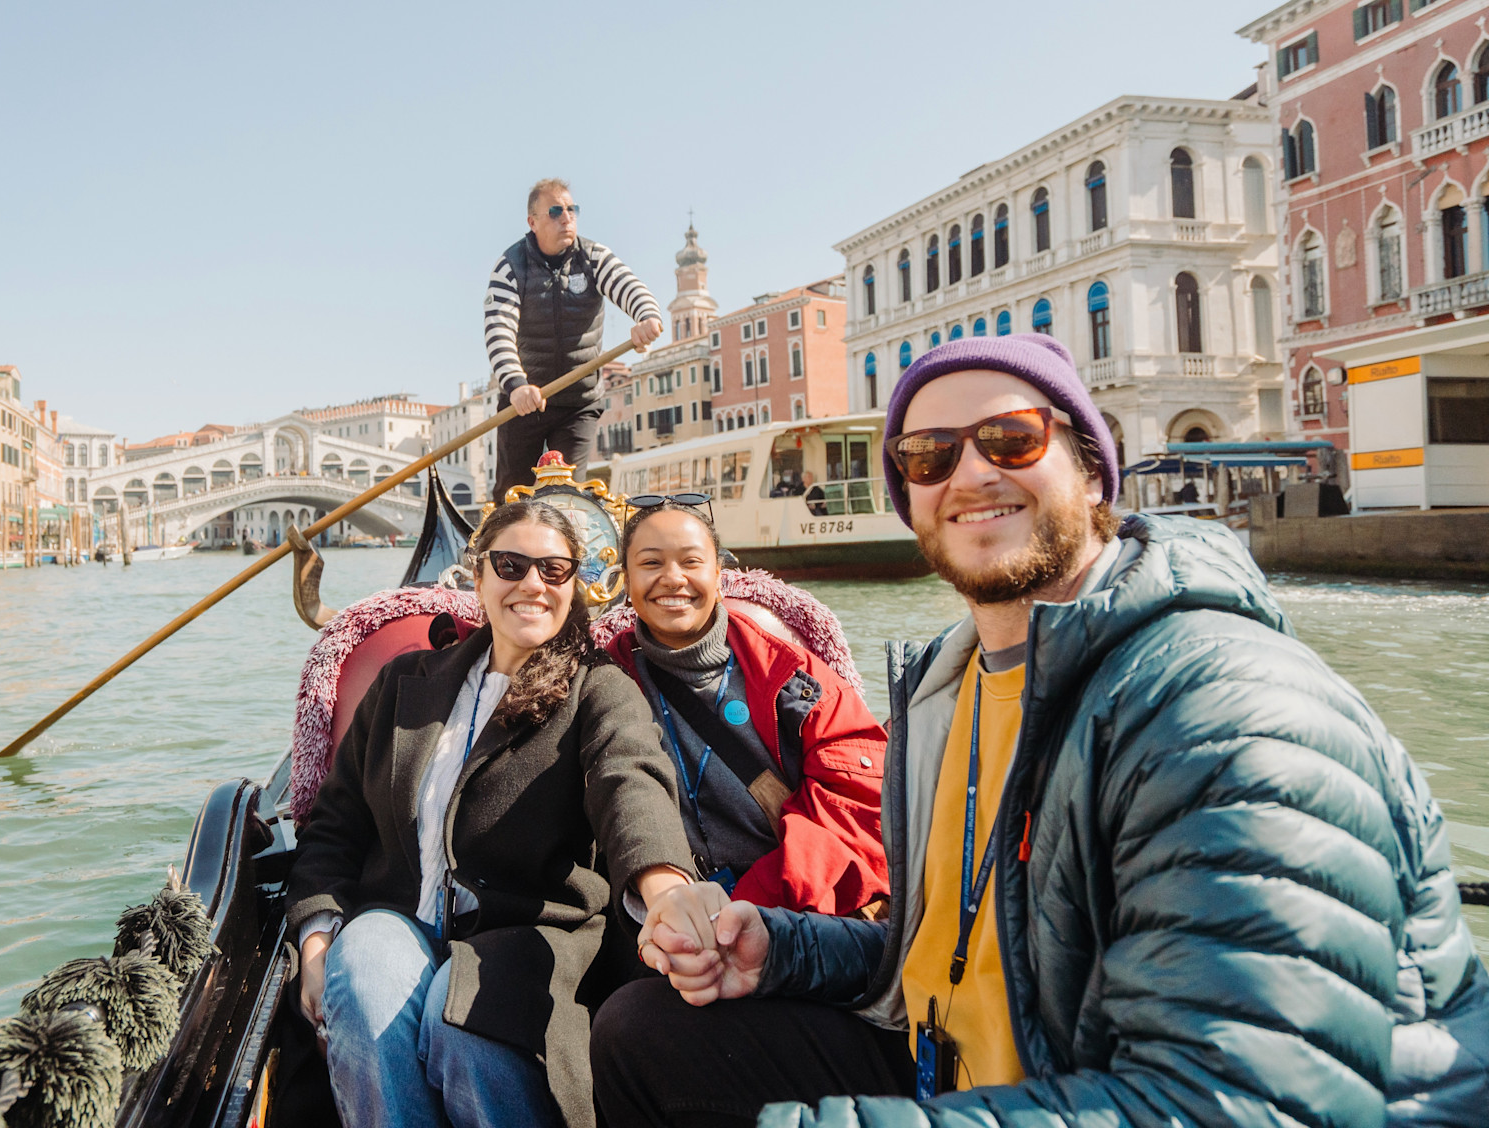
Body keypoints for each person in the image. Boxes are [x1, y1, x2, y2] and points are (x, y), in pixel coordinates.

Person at [594, 333, 1489, 1127]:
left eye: (1012, 438)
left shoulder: (1219, 704)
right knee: (643, 1031)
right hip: (966, 1065)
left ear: (1093, 469)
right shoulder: (948, 688)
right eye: (929, 455)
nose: (970, 475)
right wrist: (780, 947)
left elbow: (1250, 1099)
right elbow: (953, 952)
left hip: (1114, 1087)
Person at [288, 499, 695, 1128]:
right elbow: (335, 828)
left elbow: (631, 781)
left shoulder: (598, 689)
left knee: (463, 1019)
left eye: (553, 570)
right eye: (510, 565)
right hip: (396, 921)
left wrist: (665, 887)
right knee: (364, 964)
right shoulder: (403, 682)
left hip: (528, 939)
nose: (532, 583)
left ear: (573, 586)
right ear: (477, 577)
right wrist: (316, 943)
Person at [601, 498, 886, 915]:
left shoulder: (793, 674)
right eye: (651, 563)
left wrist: (750, 906)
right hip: (668, 912)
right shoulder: (607, 677)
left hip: (793, 911)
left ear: (719, 576)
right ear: (627, 582)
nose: (673, 578)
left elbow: (853, 807)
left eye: (691, 562)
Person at [484, 179, 665, 503]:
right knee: (511, 498)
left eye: (571, 209)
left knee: (567, 496)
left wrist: (646, 318)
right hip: (524, 401)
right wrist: (516, 385)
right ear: (533, 222)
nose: (566, 217)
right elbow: (499, 328)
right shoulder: (510, 266)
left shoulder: (594, 258)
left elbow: (631, 288)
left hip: (578, 403)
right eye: (555, 211)